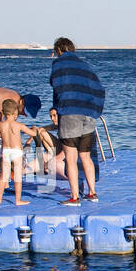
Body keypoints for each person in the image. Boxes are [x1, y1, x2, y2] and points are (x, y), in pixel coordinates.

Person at [49, 36, 105, 205]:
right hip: (88, 114)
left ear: (58, 50)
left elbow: (56, 85)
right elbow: (99, 88)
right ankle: (92, 193)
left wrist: (57, 108)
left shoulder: (59, 64)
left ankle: (75, 197)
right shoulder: (86, 66)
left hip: (70, 114)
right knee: (86, 157)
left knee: (71, 159)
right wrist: (95, 110)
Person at [0, 99, 35, 205]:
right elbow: (33, 134)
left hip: (6, 151)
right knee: (17, 177)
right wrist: (34, 129)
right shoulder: (19, 125)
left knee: (3, 176)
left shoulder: (0, 125)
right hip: (17, 152)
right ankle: (18, 200)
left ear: (4, 112)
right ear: (15, 112)